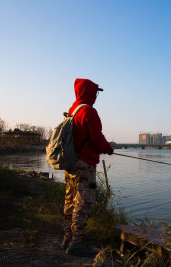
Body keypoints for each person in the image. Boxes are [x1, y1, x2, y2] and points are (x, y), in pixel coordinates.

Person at [61, 78, 113, 257]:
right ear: (88, 92)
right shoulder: (89, 111)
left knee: (70, 199)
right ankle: (78, 241)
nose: (96, 96)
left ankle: (68, 236)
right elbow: (97, 138)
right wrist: (108, 149)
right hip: (84, 164)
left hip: (71, 163)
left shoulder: (73, 109)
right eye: (95, 92)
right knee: (85, 201)